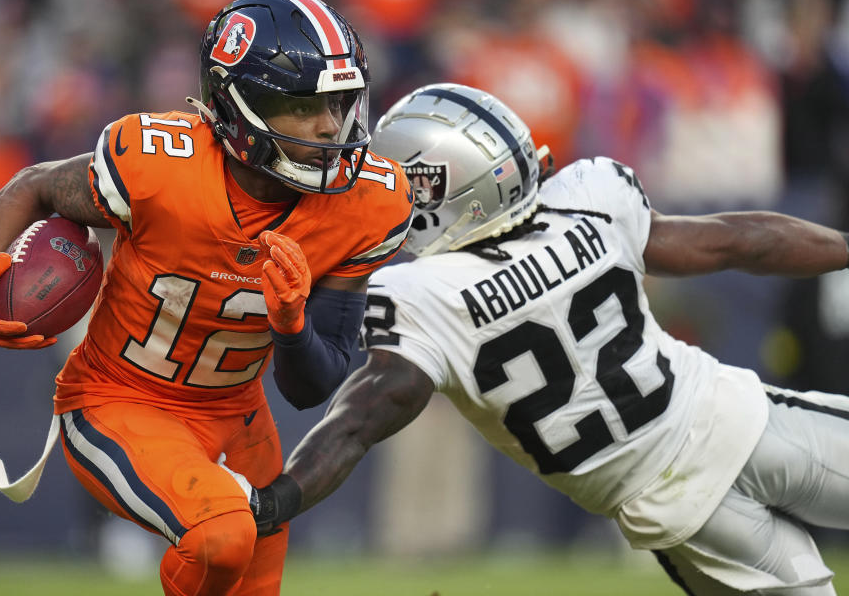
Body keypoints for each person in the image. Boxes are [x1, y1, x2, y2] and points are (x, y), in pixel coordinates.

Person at [229, 83, 849, 595]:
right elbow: (741, 240)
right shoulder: (589, 200)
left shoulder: (426, 296)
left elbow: (354, 426)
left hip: (671, 510)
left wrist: (270, 504)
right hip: (737, 422)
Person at [0, 0, 413, 596]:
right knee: (221, 539)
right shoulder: (157, 165)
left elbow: (311, 388)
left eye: (341, 101)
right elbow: (34, 186)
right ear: (239, 107)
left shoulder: (368, 205)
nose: (332, 126)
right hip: (120, 398)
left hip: (238, 417)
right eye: (305, 107)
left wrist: (291, 324)